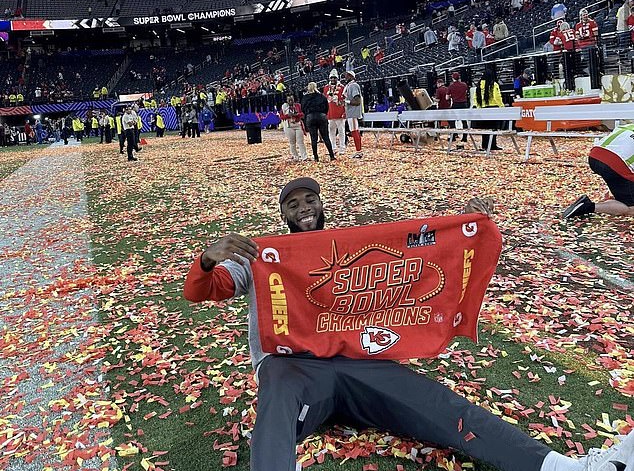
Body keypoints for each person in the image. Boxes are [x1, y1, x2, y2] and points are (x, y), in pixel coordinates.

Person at [183, 177, 634, 471]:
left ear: (322, 204)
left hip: (355, 364)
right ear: (283, 214)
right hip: (294, 368)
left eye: (310, 199)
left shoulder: (354, 244)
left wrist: (469, 223)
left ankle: (564, 468)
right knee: (275, 407)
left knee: (442, 406)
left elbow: (421, 252)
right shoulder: (265, 255)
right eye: (293, 203)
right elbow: (203, 291)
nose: (303, 207)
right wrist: (206, 261)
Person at [563, 123, 634, 218]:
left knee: (621, 184)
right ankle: (588, 207)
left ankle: (615, 199)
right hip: (616, 164)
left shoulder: (630, 125)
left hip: (594, 156)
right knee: (631, 209)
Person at [301, 82, 335, 162]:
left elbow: (303, 108)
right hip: (321, 115)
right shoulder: (321, 96)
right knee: (326, 137)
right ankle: (331, 156)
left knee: (313, 138)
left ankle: (316, 157)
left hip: (310, 116)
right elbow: (327, 107)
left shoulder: (305, 97)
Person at [474, 67, 504, 151]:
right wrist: (501, 106)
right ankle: (492, 145)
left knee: (485, 128)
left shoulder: (479, 85)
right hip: (493, 107)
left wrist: (478, 107)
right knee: (493, 128)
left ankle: (484, 145)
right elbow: (497, 96)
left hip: (483, 108)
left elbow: (475, 98)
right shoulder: (493, 84)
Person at [323, 69, 346, 156]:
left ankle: (342, 148)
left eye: (334, 78)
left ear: (337, 78)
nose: (333, 79)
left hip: (340, 113)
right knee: (331, 132)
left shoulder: (342, 87)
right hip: (330, 113)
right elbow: (325, 100)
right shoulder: (326, 88)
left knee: (341, 131)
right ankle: (333, 148)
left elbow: (344, 100)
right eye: (331, 78)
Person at [280, 95, 307, 162]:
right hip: (289, 125)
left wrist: (296, 114)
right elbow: (281, 117)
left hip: (297, 124)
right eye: (289, 100)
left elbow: (302, 114)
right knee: (292, 142)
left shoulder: (298, 105)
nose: (290, 101)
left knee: (300, 141)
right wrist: (287, 115)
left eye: (292, 99)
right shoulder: (284, 107)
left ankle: (304, 156)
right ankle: (295, 156)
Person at [343, 70, 363, 158]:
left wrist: (346, 101)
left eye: (347, 76)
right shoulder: (350, 86)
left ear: (351, 76)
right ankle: (358, 151)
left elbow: (357, 101)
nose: (345, 78)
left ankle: (359, 152)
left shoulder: (353, 86)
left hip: (353, 112)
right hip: (351, 112)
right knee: (354, 131)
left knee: (355, 132)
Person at [448, 71, 469, 148]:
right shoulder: (464, 85)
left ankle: (453, 135)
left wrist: (452, 96)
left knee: (452, 120)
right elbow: (466, 92)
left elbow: (447, 97)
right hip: (463, 104)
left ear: (453, 78)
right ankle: (465, 137)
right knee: (464, 121)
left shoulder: (451, 86)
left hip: (455, 104)